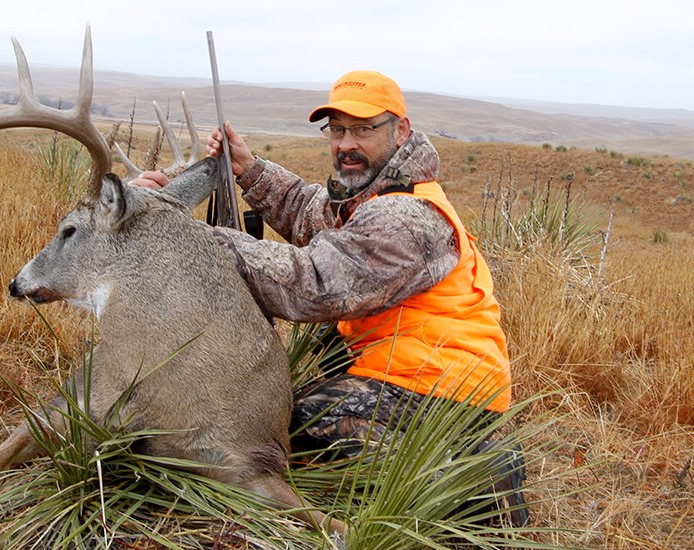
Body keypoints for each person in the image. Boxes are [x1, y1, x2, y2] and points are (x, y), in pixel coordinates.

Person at [132, 70, 527, 526]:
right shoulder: (377, 193)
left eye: (363, 129)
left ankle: (463, 482)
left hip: (441, 392)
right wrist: (249, 169)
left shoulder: (407, 217)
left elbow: (316, 284)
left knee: (294, 434)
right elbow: (310, 212)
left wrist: (180, 232)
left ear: (400, 130)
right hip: (422, 373)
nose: (346, 143)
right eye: (337, 130)